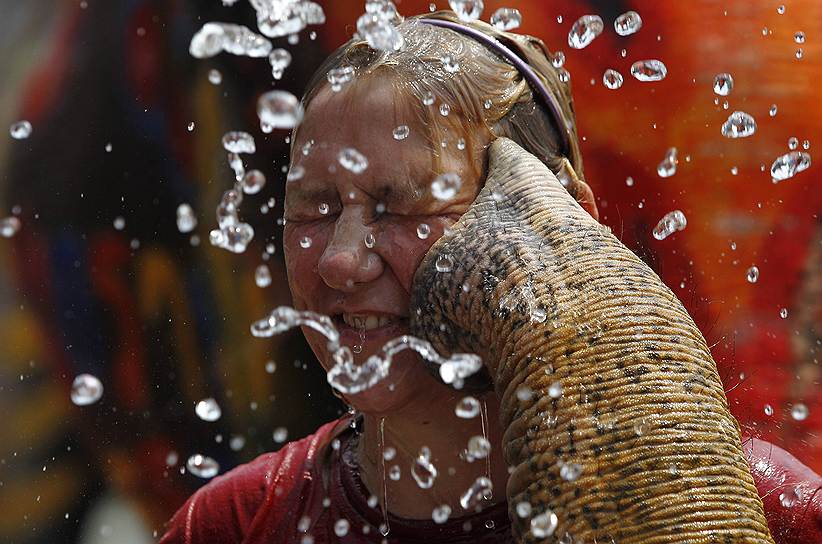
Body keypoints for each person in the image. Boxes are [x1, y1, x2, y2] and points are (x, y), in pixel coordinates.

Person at [160, 10, 822, 544]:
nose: (338, 258)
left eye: (403, 204)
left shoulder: (773, 509)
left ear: (568, 221)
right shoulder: (234, 525)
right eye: (316, 205)